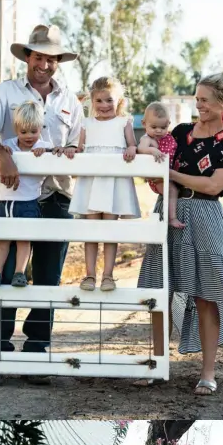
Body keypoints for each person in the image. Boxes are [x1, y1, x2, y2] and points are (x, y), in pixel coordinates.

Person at [137, 70, 223, 395]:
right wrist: (155, 175)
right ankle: (156, 367)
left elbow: (213, 184)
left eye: (204, 100)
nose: (199, 105)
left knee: (207, 296)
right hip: (168, 211)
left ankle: (208, 373)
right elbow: (156, 161)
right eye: (196, 99)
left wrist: (172, 174)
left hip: (206, 216)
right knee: (159, 289)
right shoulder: (180, 132)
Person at [0, 24, 83, 363]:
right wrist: (5, 156)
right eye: (39, 57)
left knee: (48, 277)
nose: (44, 64)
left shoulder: (70, 100)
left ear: (58, 61)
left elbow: (78, 143)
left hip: (58, 195)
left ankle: (37, 349)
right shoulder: (4, 93)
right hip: (16, 195)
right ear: (28, 57)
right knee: (6, 274)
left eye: (51, 59)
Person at [69, 76, 139, 292]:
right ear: (92, 101)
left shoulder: (123, 123)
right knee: (91, 231)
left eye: (109, 100)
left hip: (113, 182)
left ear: (118, 101)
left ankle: (108, 275)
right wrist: (72, 150)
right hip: (91, 182)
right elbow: (80, 149)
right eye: (99, 101)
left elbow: (132, 145)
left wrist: (131, 149)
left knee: (110, 229)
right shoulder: (86, 124)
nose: (104, 105)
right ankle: (89, 274)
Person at [0, 101, 51, 288]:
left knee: (24, 240)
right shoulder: (8, 145)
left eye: (33, 131)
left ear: (40, 128)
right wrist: (3, 151)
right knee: (3, 239)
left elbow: (54, 153)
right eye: (23, 132)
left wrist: (44, 151)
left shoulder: (44, 146)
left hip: (29, 202)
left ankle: (19, 273)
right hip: (6, 201)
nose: (29, 137)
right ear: (16, 129)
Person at [137, 102, 184, 229]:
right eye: (154, 127)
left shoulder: (168, 137)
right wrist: (152, 150)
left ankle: (167, 215)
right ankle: (171, 218)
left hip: (169, 174)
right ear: (144, 124)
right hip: (157, 177)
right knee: (172, 191)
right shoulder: (148, 139)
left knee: (174, 190)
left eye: (163, 127)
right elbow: (141, 149)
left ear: (168, 124)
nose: (158, 130)